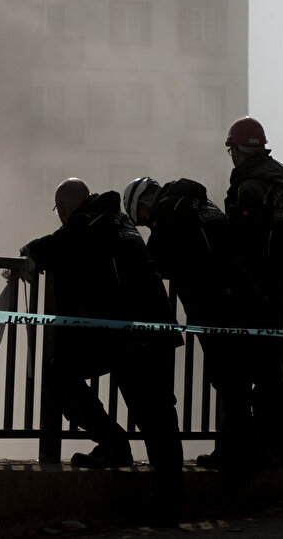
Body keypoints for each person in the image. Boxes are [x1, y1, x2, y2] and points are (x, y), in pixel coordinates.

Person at [21, 178, 184, 520]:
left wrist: (30, 254)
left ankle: (166, 502)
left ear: (65, 206)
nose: (59, 216)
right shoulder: (115, 220)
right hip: (132, 332)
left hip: (132, 335)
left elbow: (55, 245)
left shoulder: (89, 221)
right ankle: (114, 448)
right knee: (153, 413)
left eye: (58, 209)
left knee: (153, 415)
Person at [123, 176, 257, 473]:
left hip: (214, 306)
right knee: (237, 380)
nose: (147, 224)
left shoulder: (167, 211)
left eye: (143, 219)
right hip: (240, 298)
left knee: (228, 380)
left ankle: (234, 454)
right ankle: (242, 450)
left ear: (144, 203)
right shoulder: (200, 203)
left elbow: (153, 260)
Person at [218, 115, 283, 472]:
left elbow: (242, 247)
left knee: (237, 375)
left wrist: (241, 287)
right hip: (281, 293)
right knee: (271, 374)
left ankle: (242, 453)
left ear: (237, 150)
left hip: (253, 295)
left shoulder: (250, 187)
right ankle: (277, 450)